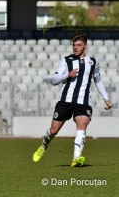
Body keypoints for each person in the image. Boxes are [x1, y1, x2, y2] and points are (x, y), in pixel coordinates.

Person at [32, 34, 113, 167]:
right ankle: (44, 145)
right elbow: (54, 80)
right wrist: (67, 75)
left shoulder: (93, 62)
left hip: (83, 103)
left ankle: (76, 158)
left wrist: (106, 99)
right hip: (65, 101)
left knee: (82, 126)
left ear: (85, 46)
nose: (75, 48)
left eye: (79, 45)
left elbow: (97, 80)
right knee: (53, 131)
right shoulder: (66, 61)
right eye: (74, 45)